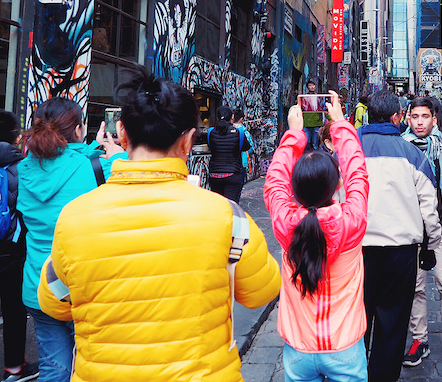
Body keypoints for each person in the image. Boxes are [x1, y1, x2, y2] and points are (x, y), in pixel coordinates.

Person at [37, 68, 281, 382]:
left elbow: (53, 301)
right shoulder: (227, 217)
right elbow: (264, 290)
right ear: (189, 141)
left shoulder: (73, 218)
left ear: (122, 134)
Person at [17, 97, 125, 382]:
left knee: (54, 368)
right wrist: (114, 151)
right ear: (78, 129)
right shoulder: (91, 168)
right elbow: (130, 172)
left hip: (38, 285)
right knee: (91, 367)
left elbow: (64, 162)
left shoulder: (23, 169)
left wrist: (92, 147)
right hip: (81, 286)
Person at [264, 91, 369, 382]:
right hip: (345, 346)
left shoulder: (286, 225)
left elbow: (274, 182)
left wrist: (294, 135)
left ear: (293, 189)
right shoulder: (351, 222)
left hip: (299, 349)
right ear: (337, 186)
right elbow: (358, 174)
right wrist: (341, 124)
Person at [358, 89, 442, 382]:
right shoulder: (413, 155)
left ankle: (354, 373)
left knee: (356, 319)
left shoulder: (348, 149)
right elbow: (429, 207)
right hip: (400, 253)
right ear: (397, 117)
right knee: (392, 323)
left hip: (355, 251)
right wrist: (430, 245)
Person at [401, 97, 442, 373]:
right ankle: (420, 340)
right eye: (414, 116)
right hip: (410, 232)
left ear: (434, 119)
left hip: (440, 231)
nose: (419, 122)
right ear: (407, 118)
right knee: (415, 288)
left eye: (424, 117)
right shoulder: (401, 149)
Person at [0, 110, 37, 382]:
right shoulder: (21, 167)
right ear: (15, 138)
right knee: (14, 309)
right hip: (12, 250)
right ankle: (14, 368)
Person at [208, 106, 251, 203]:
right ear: (232, 117)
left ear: (217, 118)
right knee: (231, 207)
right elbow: (246, 147)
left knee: (218, 206)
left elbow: (211, 147)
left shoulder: (211, 132)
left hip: (214, 175)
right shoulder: (238, 132)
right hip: (232, 174)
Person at [233, 108, 255, 187]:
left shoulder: (228, 129)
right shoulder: (243, 131)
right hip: (241, 162)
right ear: (241, 119)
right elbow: (250, 147)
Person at [302, 80, 324, 150]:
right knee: (307, 142)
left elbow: (322, 109)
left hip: (316, 123)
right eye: (310, 85)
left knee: (315, 143)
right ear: (307, 87)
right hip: (306, 123)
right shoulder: (304, 97)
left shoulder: (319, 97)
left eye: (313, 85)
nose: (312, 87)